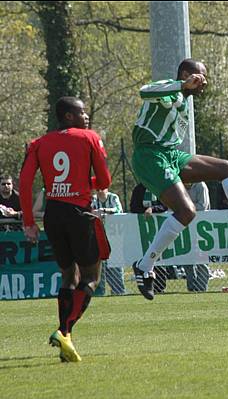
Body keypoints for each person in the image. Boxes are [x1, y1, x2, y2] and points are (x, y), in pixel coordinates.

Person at [130, 58, 228, 300]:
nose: (203, 82)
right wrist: (181, 84)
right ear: (186, 74)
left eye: (204, 78)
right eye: (199, 76)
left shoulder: (184, 101)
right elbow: (145, 91)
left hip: (171, 155)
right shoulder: (170, 89)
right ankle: (145, 265)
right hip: (149, 154)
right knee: (186, 212)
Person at [19, 96, 112, 362]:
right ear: (69, 116)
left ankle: (66, 344)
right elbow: (105, 179)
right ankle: (64, 330)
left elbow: (25, 185)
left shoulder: (38, 144)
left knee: (68, 277)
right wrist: (87, 183)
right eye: (82, 113)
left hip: (53, 214)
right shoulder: (89, 137)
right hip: (78, 213)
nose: (86, 117)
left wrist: (29, 223)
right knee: (92, 277)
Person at [130, 182, 172, 294]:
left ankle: (160, 287)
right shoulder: (139, 189)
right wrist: (144, 211)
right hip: (143, 229)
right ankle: (146, 282)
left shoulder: (158, 186)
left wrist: (153, 209)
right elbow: (133, 207)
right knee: (145, 254)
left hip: (159, 226)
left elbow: (164, 206)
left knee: (158, 255)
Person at [91, 188, 127, 295]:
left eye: (101, 188)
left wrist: (103, 211)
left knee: (115, 267)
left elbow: (118, 210)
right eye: (97, 189)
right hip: (98, 237)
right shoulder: (93, 199)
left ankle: (119, 292)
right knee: (99, 267)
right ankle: (100, 293)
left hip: (114, 237)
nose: (99, 190)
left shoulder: (113, 197)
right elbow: (91, 211)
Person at [182, 182, 211, 292]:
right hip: (186, 226)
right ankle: (191, 287)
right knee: (186, 258)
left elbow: (202, 206)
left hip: (201, 228)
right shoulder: (179, 184)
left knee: (202, 260)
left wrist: (185, 207)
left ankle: (201, 288)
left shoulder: (200, 185)